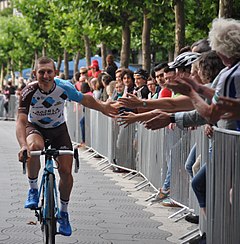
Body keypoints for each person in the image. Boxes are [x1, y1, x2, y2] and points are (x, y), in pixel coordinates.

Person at [16, 57, 117, 236]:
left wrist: (103, 107)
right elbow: (21, 121)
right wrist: (23, 146)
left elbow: (85, 100)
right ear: (35, 74)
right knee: (34, 147)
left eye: (49, 72)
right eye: (41, 72)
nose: (45, 75)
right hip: (36, 128)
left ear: (55, 73)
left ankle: (63, 212)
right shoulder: (28, 91)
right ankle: (33, 189)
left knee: (65, 171)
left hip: (58, 129)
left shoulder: (64, 88)